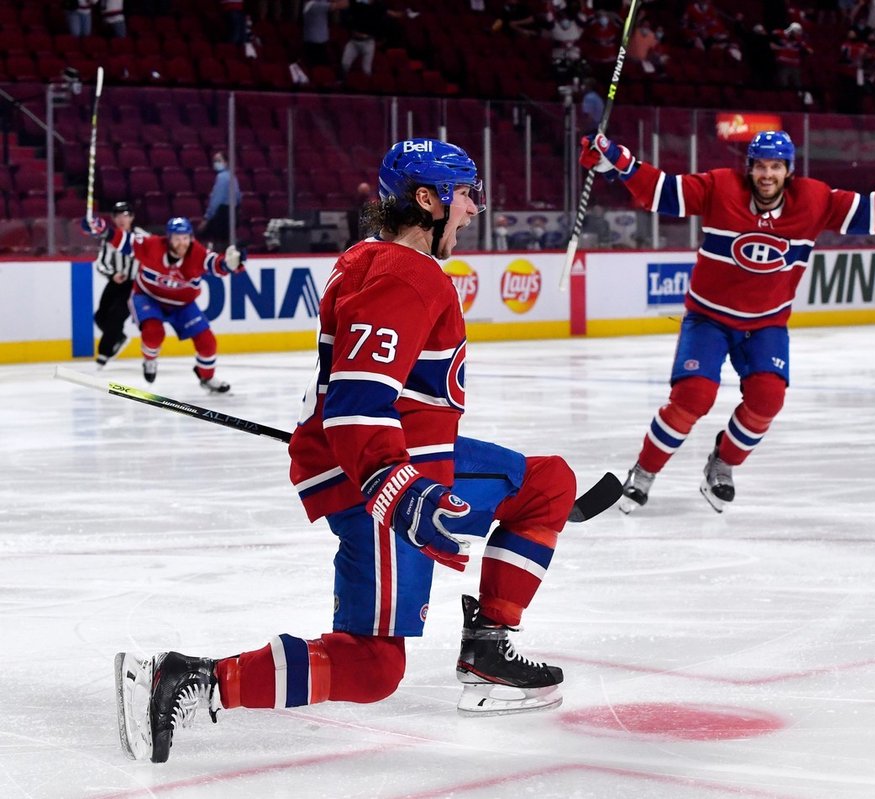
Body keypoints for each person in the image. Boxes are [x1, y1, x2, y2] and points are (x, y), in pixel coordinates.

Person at [112, 139, 577, 764]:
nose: (472, 210)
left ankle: (488, 650)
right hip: (385, 477)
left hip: (394, 458)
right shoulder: (407, 275)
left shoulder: (372, 259)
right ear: (428, 200)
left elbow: (357, 392)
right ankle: (189, 679)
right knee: (372, 666)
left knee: (544, 484)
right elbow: (359, 401)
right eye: (465, 194)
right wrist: (397, 487)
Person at [578, 130, 875, 514]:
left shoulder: (814, 200)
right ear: (748, 168)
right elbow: (664, 192)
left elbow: (869, 213)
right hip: (708, 319)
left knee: (768, 400)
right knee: (693, 397)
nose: (767, 175)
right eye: (760, 166)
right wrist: (619, 161)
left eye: (776, 167)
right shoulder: (720, 187)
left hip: (766, 324)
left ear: (789, 171)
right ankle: (644, 472)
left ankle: (723, 463)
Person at [82, 215, 246, 392]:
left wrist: (230, 264)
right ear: (168, 239)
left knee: (208, 343)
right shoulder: (152, 246)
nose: (182, 243)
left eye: (185, 238)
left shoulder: (197, 253)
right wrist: (103, 229)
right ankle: (150, 360)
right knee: (153, 333)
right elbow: (123, 240)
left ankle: (207, 377)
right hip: (148, 297)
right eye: (177, 239)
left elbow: (215, 265)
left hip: (183, 304)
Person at [92, 201, 144, 367]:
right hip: (115, 282)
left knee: (116, 315)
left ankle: (103, 354)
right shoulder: (110, 239)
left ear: (132, 217)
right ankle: (119, 337)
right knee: (100, 317)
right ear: (113, 219)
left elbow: (153, 257)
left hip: (134, 285)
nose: (122, 219)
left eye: (126, 215)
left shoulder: (142, 237)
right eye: (118, 216)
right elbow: (101, 262)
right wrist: (112, 274)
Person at [201, 151, 242, 252]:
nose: (216, 163)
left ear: (226, 162)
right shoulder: (233, 177)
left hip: (222, 215)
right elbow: (238, 197)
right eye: (215, 161)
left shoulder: (222, 177)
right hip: (231, 214)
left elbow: (216, 200)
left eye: (219, 160)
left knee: (201, 234)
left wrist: (207, 218)